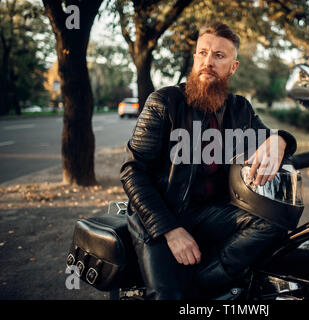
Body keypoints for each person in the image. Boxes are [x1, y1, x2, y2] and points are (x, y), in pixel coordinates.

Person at [120, 21, 298, 300]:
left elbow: (270, 138)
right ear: (194, 59)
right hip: (161, 214)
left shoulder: (241, 109)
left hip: (212, 212)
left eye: (219, 56)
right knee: (170, 298)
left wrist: (281, 140)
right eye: (203, 53)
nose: (208, 62)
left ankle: (203, 284)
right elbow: (133, 172)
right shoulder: (164, 102)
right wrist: (170, 231)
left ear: (233, 67)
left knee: (277, 223)